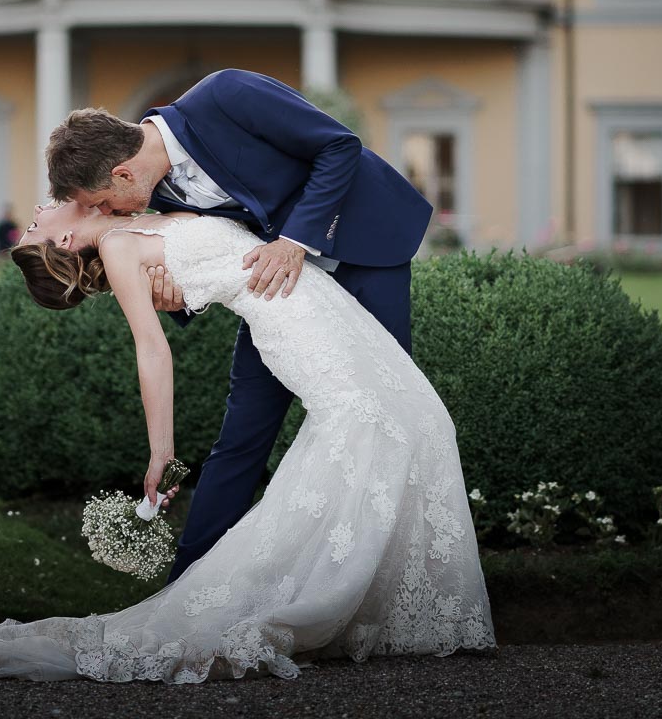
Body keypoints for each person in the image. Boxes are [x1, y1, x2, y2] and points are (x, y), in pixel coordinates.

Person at [0, 200, 493, 682]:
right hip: (292, 321)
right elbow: (152, 350)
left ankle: (389, 604)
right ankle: (323, 597)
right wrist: (161, 452)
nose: (37, 210)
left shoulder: (134, 214)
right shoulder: (121, 249)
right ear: (66, 239)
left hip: (318, 301)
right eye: (33, 227)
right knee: (370, 425)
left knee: (420, 418)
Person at [48, 70, 431, 585]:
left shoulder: (225, 95)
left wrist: (296, 240)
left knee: (387, 409)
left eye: (100, 203)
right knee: (242, 434)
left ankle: (383, 578)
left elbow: (339, 147)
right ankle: (186, 584)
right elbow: (215, 253)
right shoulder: (157, 196)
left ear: (120, 174)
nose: (104, 215)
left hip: (365, 248)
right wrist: (175, 300)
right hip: (276, 300)